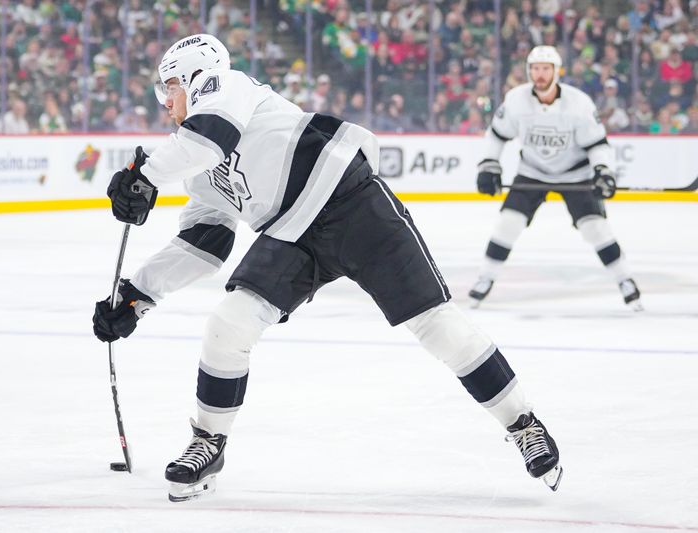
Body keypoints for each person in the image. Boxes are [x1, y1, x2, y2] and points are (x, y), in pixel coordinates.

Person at [92, 34, 563, 502]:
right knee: (228, 324)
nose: (165, 101)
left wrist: (145, 173)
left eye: (170, 86)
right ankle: (208, 442)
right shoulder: (192, 159)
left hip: (347, 196)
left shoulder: (226, 86)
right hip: (291, 232)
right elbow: (206, 240)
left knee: (434, 322)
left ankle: (523, 423)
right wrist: (137, 295)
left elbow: (212, 136)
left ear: (197, 76)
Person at [469, 45, 643, 311]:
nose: (539, 74)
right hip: (533, 171)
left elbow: (597, 144)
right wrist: (489, 164)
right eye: (535, 69)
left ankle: (625, 280)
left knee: (595, 228)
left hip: (576, 174)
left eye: (545, 69)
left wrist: (602, 170)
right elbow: (496, 135)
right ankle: (485, 278)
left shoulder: (579, 103)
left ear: (556, 71)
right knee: (508, 224)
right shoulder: (516, 100)